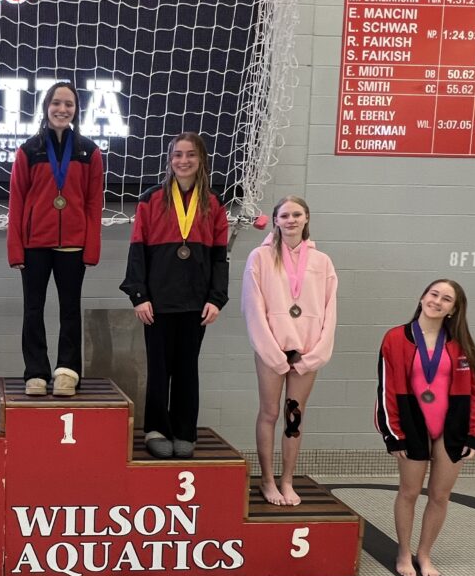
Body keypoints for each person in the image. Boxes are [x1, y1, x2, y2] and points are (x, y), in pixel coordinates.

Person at [120, 133, 228, 459]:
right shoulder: (151, 199)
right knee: (159, 369)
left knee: (187, 369)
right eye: (178, 155)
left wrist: (216, 298)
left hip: (196, 301)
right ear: (170, 160)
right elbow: (137, 250)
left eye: (190, 154)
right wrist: (139, 295)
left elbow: (219, 257)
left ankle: (184, 430)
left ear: (201, 159)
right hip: (157, 302)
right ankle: (156, 429)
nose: (184, 161)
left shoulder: (213, 202)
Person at [376, 279, 475, 576]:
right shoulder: (396, 338)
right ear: (422, 297)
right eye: (433, 294)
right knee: (409, 492)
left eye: (446, 299)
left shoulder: (462, 344)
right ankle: (404, 552)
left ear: (453, 309)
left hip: (451, 427)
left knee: (440, 495)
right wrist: (393, 433)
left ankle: (424, 554)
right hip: (413, 425)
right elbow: (386, 390)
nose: (437, 301)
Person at [7, 81, 104, 397]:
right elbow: (17, 201)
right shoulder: (29, 150)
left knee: (70, 309)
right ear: (46, 107)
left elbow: (94, 202)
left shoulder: (89, 152)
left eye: (69, 104)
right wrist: (15, 249)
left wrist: (92, 247)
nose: (62, 109)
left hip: (73, 245)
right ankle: (36, 372)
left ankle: (67, 372)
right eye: (57, 103)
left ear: (76, 110)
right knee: (32, 309)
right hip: (34, 245)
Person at [242, 196, 337, 506]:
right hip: (272, 349)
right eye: (284, 215)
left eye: (297, 214)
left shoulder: (322, 262)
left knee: (293, 417)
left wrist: (316, 355)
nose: (291, 220)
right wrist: (272, 353)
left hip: (305, 352)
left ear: (306, 218)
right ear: (276, 220)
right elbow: (252, 307)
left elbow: (330, 311)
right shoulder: (260, 257)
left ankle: (287, 480)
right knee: (270, 413)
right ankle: (267, 480)